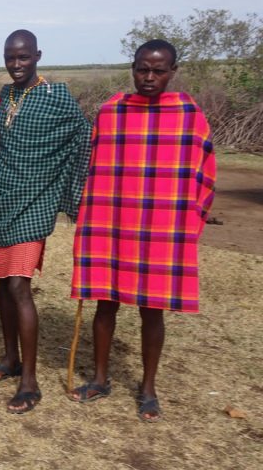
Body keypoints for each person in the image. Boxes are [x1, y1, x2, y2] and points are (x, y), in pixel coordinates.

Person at [69, 39, 215, 422]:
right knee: (105, 301)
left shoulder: (188, 114)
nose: (149, 77)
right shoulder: (112, 111)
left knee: (152, 311)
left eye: (158, 70)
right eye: (142, 69)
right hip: (113, 223)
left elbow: (204, 173)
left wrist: (191, 223)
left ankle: (148, 388)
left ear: (172, 71)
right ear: (132, 67)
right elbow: (94, 167)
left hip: (160, 228)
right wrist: (87, 212)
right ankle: (100, 378)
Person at [0, 30, 92, 414]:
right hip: (1, 199)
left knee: (19, 286)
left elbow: (83, 136)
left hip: (35, 202)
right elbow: (1, 149)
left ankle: (30, 381)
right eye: (10, 57)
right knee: (1, 285)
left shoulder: (56, 97)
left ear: (37, 56)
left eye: (23, 57)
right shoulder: (5, 96)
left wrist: (74, 190)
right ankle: (10, 359)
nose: (16, 64)